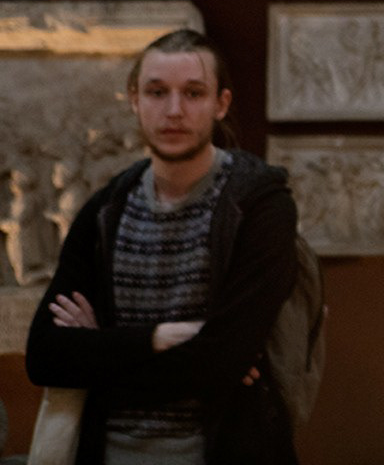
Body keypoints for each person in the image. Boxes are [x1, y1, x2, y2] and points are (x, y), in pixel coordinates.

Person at [25, 28, 301, 465]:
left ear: (220, 104)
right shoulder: (106, 209)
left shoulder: (259, 206)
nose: (174, 110)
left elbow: (221, 361)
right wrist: (156, 338)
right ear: (135, 100)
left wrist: (100, 352)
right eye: (157, 92)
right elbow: (45, 357)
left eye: (193, 93)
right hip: (109, 452)